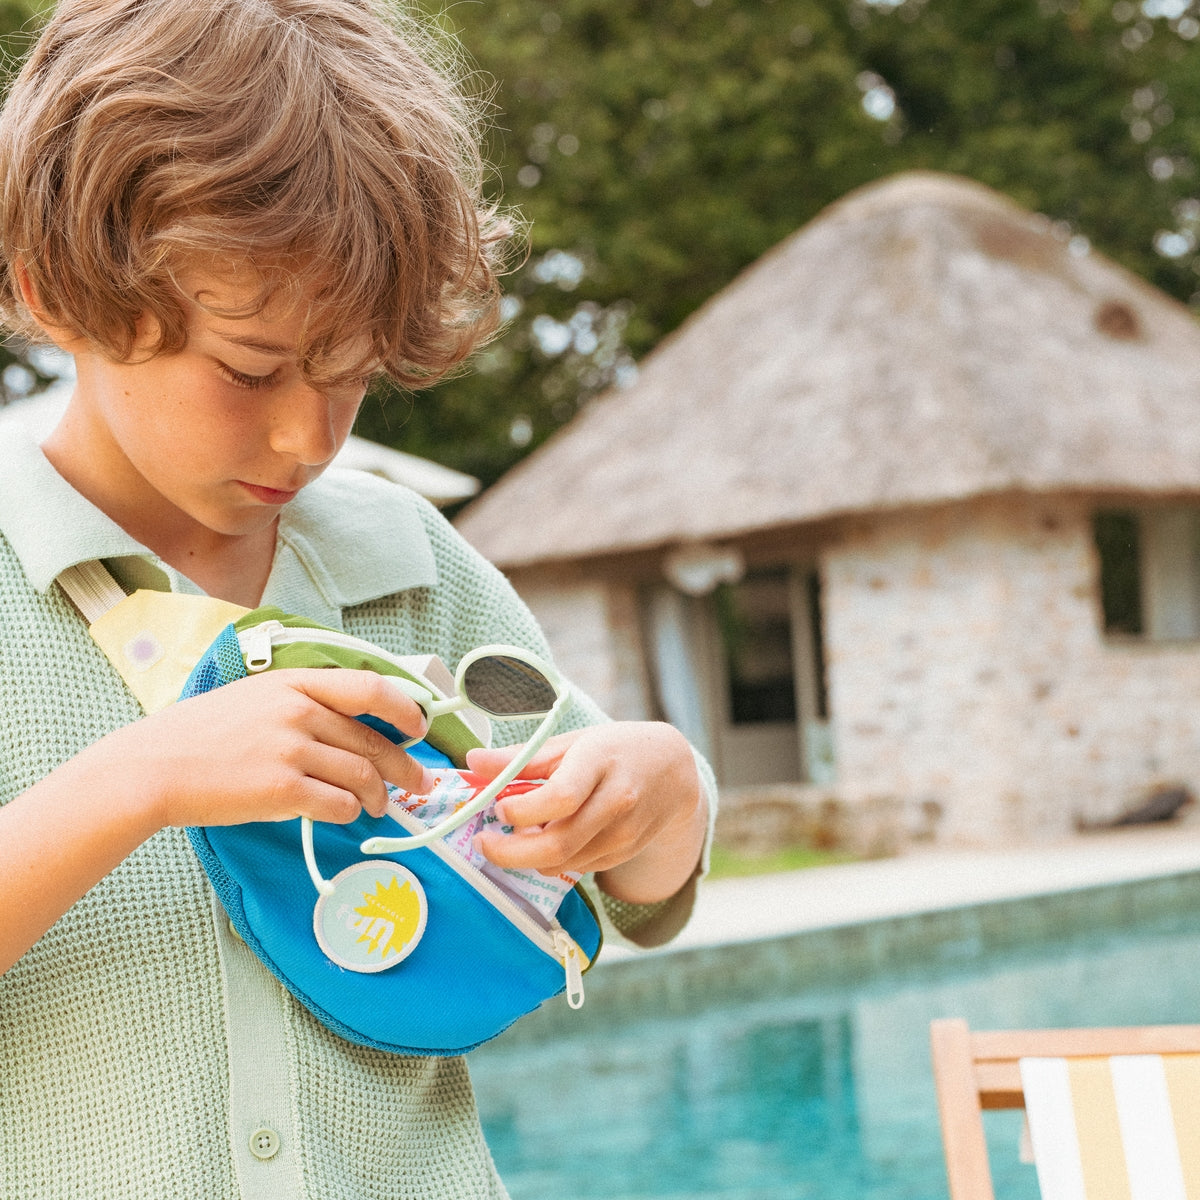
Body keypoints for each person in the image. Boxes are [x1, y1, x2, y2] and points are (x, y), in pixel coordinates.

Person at [0, 0, 715, 1194]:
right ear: (60, 292)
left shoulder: (408, 564)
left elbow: (633, 901)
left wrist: (661, 795)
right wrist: (143, 779)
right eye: (251, 367)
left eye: (351, 373)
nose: (306, 433)